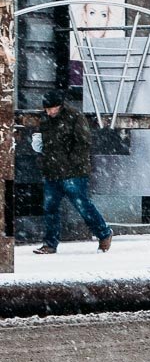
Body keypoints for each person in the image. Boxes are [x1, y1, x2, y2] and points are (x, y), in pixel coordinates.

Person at [30, 91, 113, 255]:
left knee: (81, 205)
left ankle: (103, 233)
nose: (49, 112)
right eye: (47, 109)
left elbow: (83, 143)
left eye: (52, 109)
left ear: (60, 106)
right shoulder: (49, 119)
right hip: (53, 170)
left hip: (72, 171)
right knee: (52, 208)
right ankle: (50, 244)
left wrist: (68, 163)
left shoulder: (74, 116)